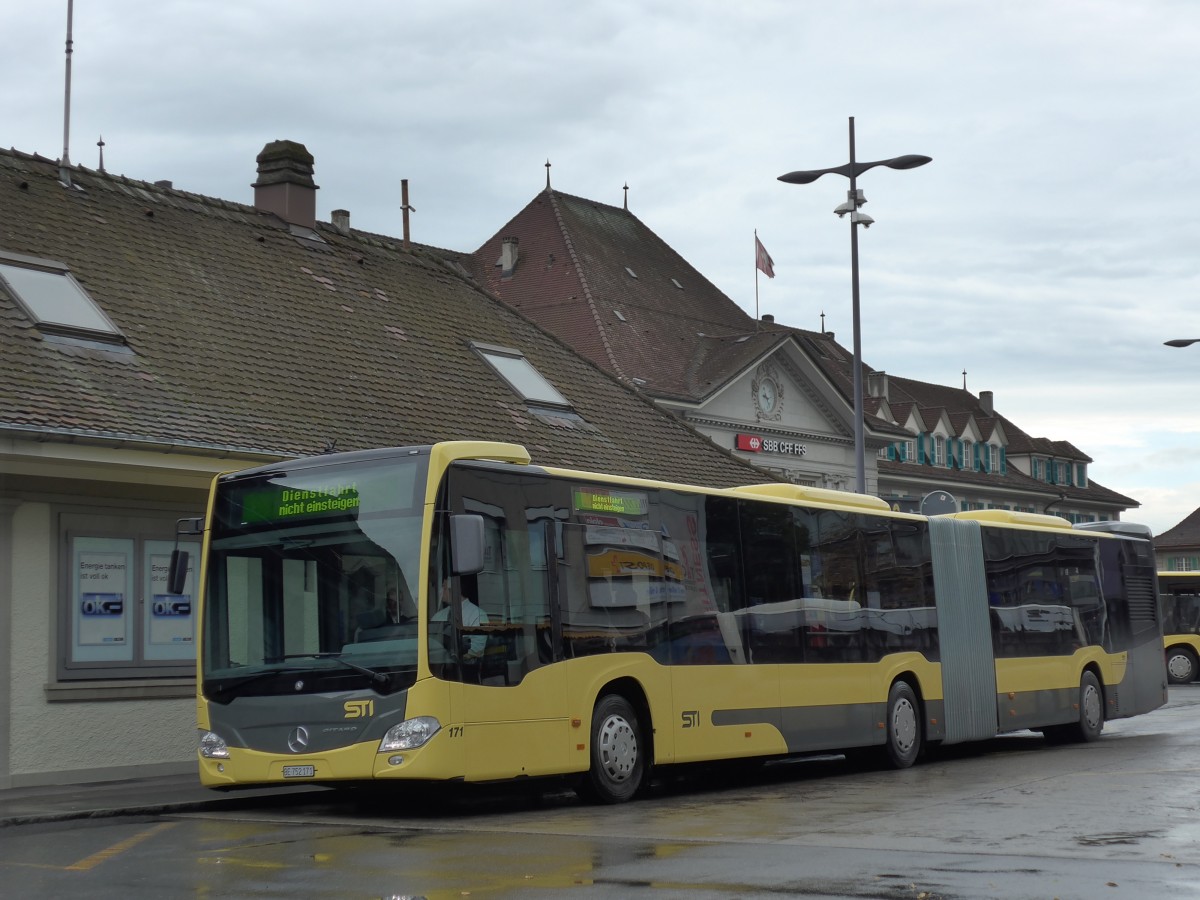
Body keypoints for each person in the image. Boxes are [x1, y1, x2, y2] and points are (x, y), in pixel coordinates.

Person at [431, 576, 488, 659]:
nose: (441, 590)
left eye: (444, 587)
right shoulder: (438, 616)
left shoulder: (478, 614)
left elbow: (477, 649)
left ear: (454, 589)